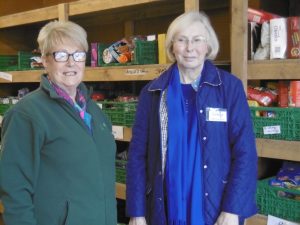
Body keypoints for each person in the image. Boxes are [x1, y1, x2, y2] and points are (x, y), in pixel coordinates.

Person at [126, 11, 257, 225]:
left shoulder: (229, 88)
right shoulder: (153, 92)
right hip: (163, 209)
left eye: (197, 40)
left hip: (217, 209)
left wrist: (233, 209)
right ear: (172, 46)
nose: (190, 48)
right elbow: (138, 156)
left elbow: (245, 153)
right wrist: (137, 212)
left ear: (208, 46)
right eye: (182, 40)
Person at [0, 20, 117, 225]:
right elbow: (15, 191)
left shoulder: (93, 111)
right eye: (61, 55)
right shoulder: (26, 114)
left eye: (78, 55)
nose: (71, 63)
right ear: (45, 60)